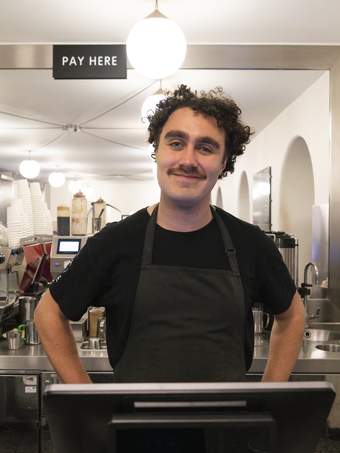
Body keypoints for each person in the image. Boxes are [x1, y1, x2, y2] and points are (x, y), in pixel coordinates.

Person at [35, 84, 305, 384]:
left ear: (224, 161)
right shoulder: (116, 242)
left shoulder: (249, 243)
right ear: (157, 151)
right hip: (135, 427)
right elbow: (48, 312)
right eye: (176, 143)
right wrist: (84, 396)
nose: (188, 160)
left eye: (205, 147)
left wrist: (270, 395)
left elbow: (292, 315)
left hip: (228, 427)